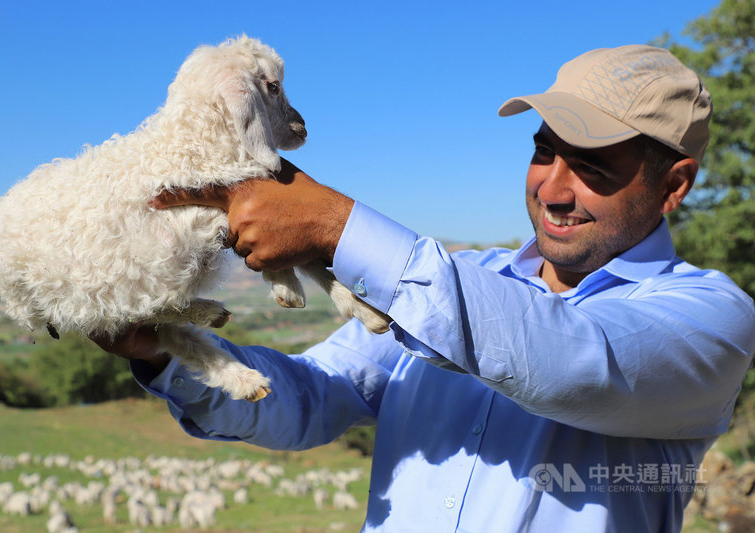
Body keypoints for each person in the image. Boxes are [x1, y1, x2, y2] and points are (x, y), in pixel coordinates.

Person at [95, 45, 755, 532]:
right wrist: (162, 351)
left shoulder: (709, 318)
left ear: (675, 184)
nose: (552, 189)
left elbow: (571, 362)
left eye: (591, 166)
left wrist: (334, 225)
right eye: (543, 152)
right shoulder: (472, 283)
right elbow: (311, 395)